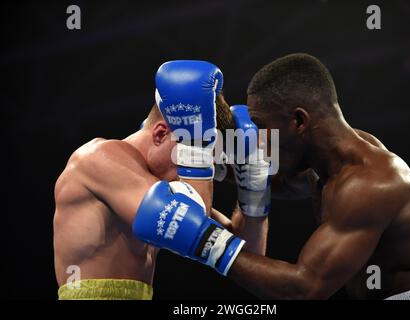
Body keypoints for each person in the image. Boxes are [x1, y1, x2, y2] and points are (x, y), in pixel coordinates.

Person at [134, 53, 410, 299]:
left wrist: (203, 240)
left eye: (261, 126)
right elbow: (274, 181)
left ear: (298, 121)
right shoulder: (327, 161)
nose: (257, 139)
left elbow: (304, 289)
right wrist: (205, 160)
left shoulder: (370, 185)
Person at [53, 60, 266, 299]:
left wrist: (254, 191)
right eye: (187, 157)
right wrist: (196, 147)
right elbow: (191, 221)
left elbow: (248, 257)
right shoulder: (98, 158)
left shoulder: (154, 189)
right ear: (161, 133)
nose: (187, 173)